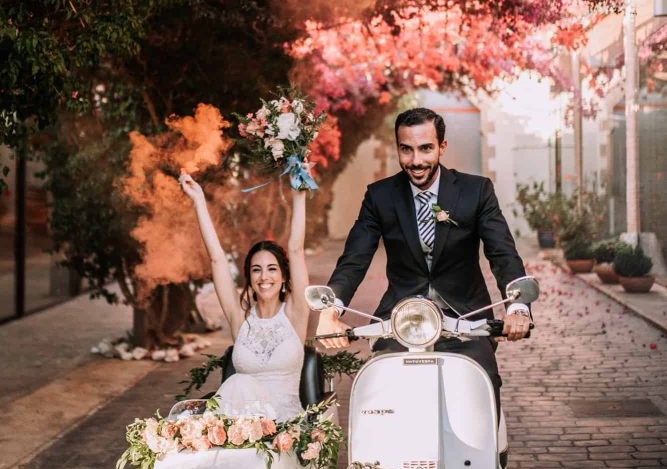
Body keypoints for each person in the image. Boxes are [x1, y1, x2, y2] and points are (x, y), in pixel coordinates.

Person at [316, 107, 532, 416]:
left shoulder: (476, 191)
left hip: (466, 318)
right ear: (398, 149)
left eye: (426, 148)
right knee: (381, 394)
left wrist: (518, 305)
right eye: (407, 149)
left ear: (442, 147)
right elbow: (354, 258)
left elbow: (502, 252)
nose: (416, 161)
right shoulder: (380, 196)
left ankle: (486, 460)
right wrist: (331, 309)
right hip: (400, 322)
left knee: (482, 393)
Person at [179, 171, 310, 421]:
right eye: (256, 270)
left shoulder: (295, 312)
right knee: (238, 383)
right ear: (249, 277)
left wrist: (299, 194)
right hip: (241, 424)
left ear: (284, 276)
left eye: (272, 269)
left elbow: (296, 249)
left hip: (287, 428)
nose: (264, 277)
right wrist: (198, 201)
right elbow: (216, 258)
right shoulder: (240, 317)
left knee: (239, 383)